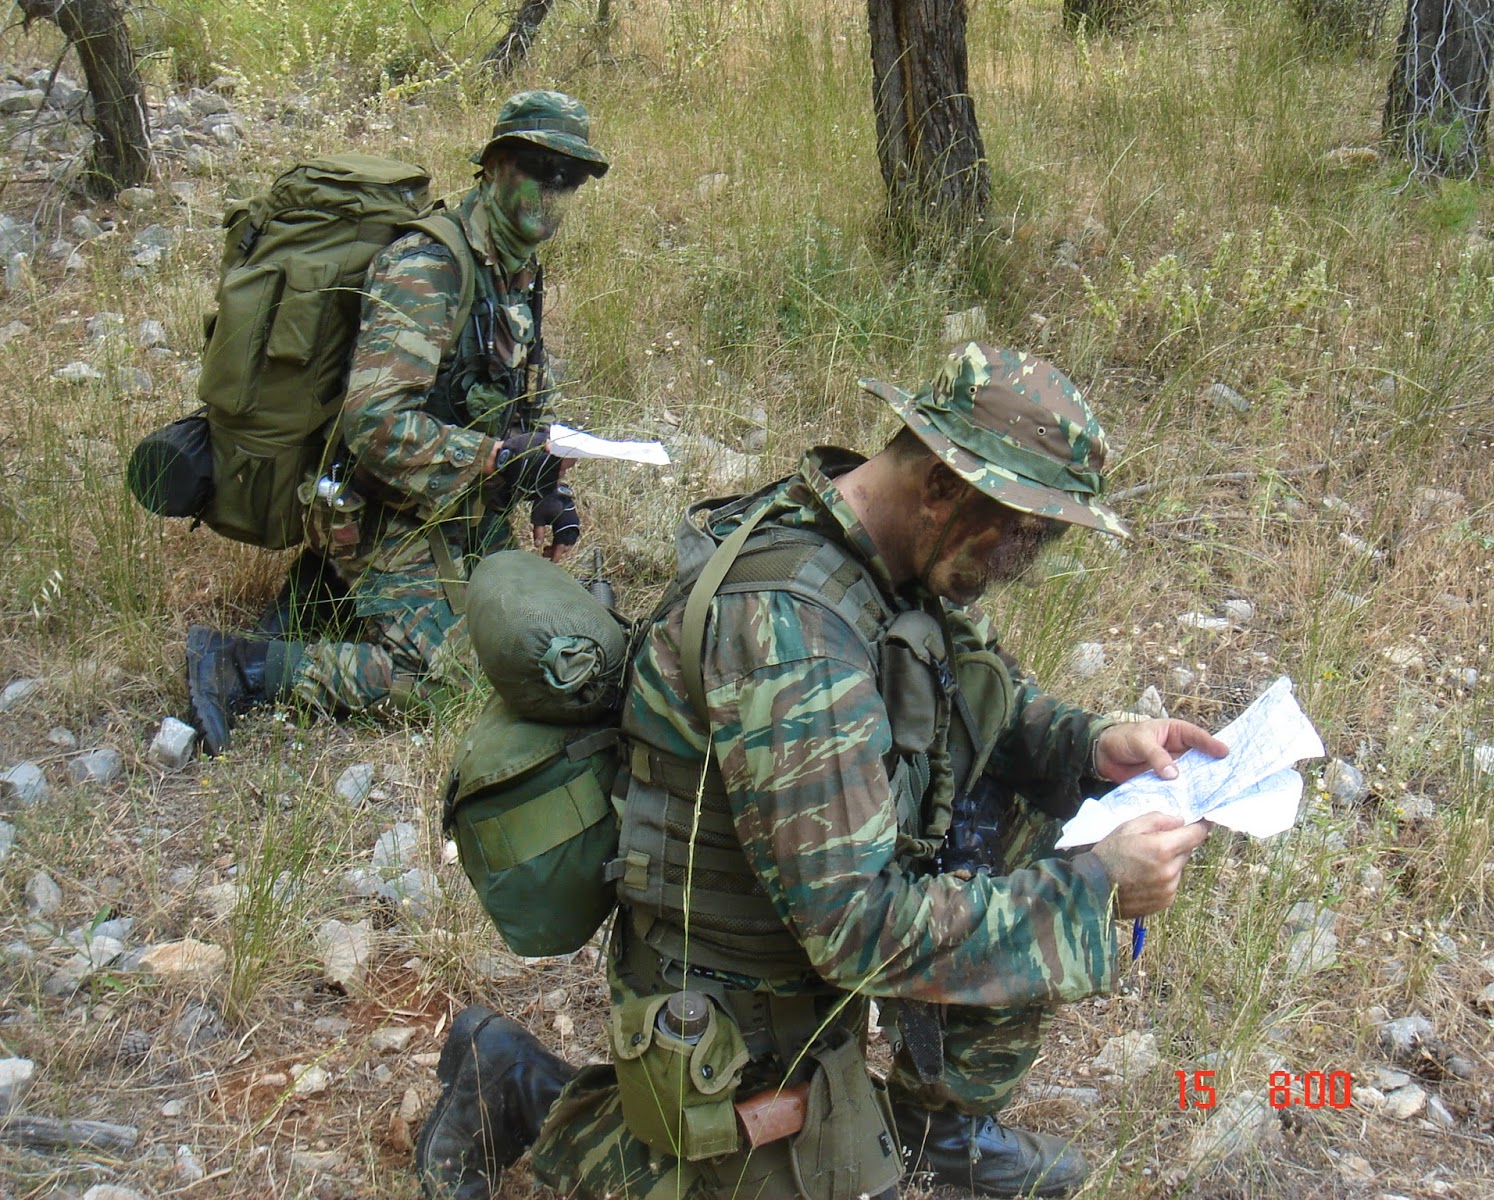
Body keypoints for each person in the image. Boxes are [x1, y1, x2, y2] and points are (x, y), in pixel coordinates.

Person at [416, 343, 1227, 1200]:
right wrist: (1094, 889)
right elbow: (857, 926)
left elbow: (978, 698)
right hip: (737, 1005)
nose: (1025, 560)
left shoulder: (890, 552)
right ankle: (513, 1081)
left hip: (807, 965)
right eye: (1024, 530)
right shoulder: (790, 632)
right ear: (943, 487)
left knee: (1030, 801)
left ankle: (930, 1130)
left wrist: (1092, 745)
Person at [184, 90, 608, 755]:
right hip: (382, 508)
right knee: (454, 683)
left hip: (451, 506)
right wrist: (496, 457)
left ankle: (317, 598)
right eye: (539, 170)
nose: (552, 195)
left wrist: (549, 481)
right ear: (495, 165)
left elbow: (526, 389)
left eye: (570, 181)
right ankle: (247, 665)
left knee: (542, 638)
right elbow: (373, 425)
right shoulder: (429, 269)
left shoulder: (515, 267)